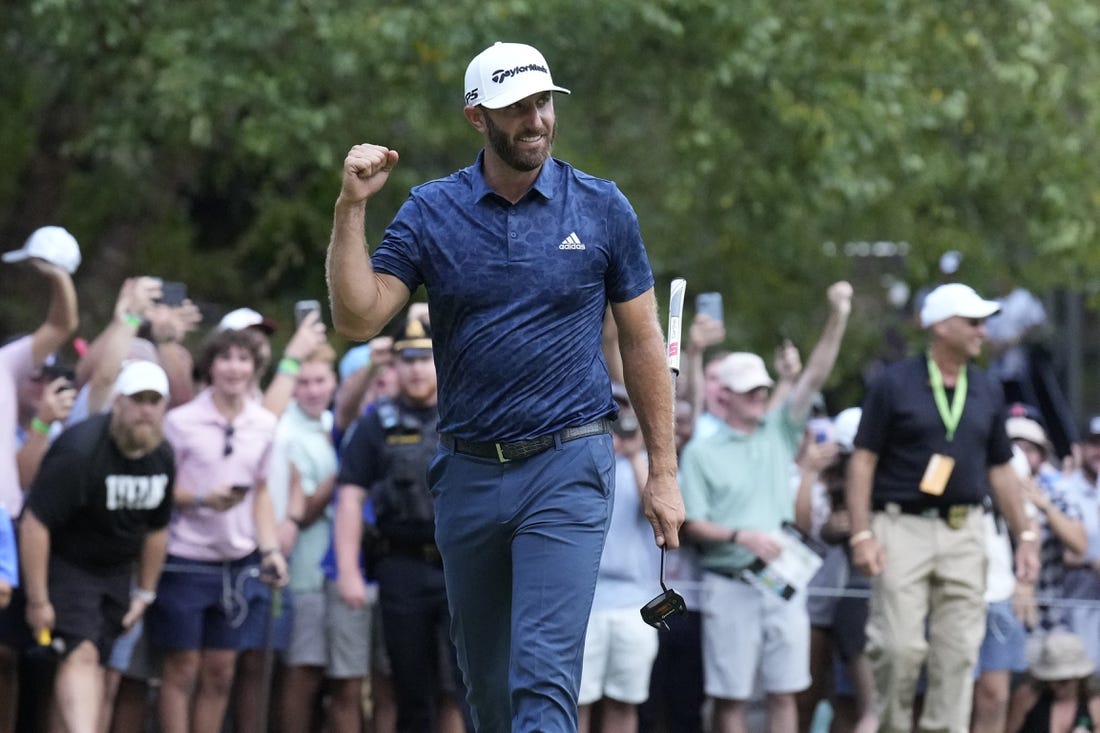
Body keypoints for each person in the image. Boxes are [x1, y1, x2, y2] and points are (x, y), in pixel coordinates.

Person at [325, 40, 683, 732]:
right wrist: (350, 211)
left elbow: (641, 338)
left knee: (543, 679)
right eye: (515, 108)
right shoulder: (432, 211)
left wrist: (663, 470)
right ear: (476, 118)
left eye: (543, 103)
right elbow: (357, 317)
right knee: (487, 688)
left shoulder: (603, 208)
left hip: (568, 464)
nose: (535, 120)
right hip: (466, 471)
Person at [846, 282, 1040, 733]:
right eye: (973, 322)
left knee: (957, 656)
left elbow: (1002, 470)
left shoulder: (988, 388)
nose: (983, 331)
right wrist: (861, 533)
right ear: (940, 326)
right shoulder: (892, 383)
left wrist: (1025, 535)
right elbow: (863, 461)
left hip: (966, 531)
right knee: (898, 649)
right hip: (900, 528)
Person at [678, 281, 852, 733]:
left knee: (784, 692)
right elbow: (691, 523)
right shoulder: (702, 449)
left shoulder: (778, 432)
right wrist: (740, 536)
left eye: (762, 388)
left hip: (781, 580)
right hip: (728, 578)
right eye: (749, 389)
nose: (758, 395)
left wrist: (838, 316)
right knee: (730, 696)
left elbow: (814, 374)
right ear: (727, 395)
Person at [18, 360, 175, 733]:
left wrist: (146, 592)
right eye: (138, 400)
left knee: (95, 672)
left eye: (155, 401)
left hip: (118, 574)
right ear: (117, 402)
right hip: (68, 565)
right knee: (82, 655)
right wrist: (38, 600)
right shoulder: (81, 451)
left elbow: (157, 529)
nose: (146, 410)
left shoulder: (161, 456)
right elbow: (35, 524)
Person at [146, 326, 288, 733]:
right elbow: (160, 489)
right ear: (210, 365)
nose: (234, 367)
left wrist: (270, 549)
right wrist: (202, 497)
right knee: (182, 668)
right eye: (225, 358)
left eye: (243, 359)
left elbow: (261, 493)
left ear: (255, 367)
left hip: (237, 563)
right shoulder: (179, 421)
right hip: (184, 560)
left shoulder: (264, 424)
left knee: (221, 669)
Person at [334, 318, 468, 733]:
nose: (416, 369)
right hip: (401, 567)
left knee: (467, 686)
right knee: (410, 689)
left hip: (461, 569)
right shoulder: (377, 423)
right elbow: (350, 496)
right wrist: (349, 572)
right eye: (407, 359)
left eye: (425, 358)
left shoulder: (465, 414)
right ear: (394, 365)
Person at [0, 225, 80, 733]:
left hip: (4, 521)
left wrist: (53, 275)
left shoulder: (5, 364)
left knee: (6, 655)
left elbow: (64, 321)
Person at [266, 339, 341, 732]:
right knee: (303, 670)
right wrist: (344, 470)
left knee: (334, 678)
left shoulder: (331, 424)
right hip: (303, 570)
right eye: (305, 382)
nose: (313, 390)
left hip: (336, 570)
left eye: (320, 381)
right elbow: (301, 509)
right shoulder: (286, 432)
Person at [578, 384, 660, 733]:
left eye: (626, 412)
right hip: (585, 604)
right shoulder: (582, 461)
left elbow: (654, 508)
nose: (619, 420)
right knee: (576, 704)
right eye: (612, 413)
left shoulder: (652, 469)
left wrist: (636, 452)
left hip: (635, 605)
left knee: (624, 704)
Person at [1056, 416, 1100, 671]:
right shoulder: (1064, 490)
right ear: (1081, 448)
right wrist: (1090, 562)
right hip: (1074, 605)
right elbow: (1061, 552)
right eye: (1094, 444)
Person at [1006, 629, 1100, 733]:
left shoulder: (1095, 706)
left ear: (1079, 679)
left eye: (1063, 681)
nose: (1055, 686)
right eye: (1050, 679)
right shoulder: (1026, 698)